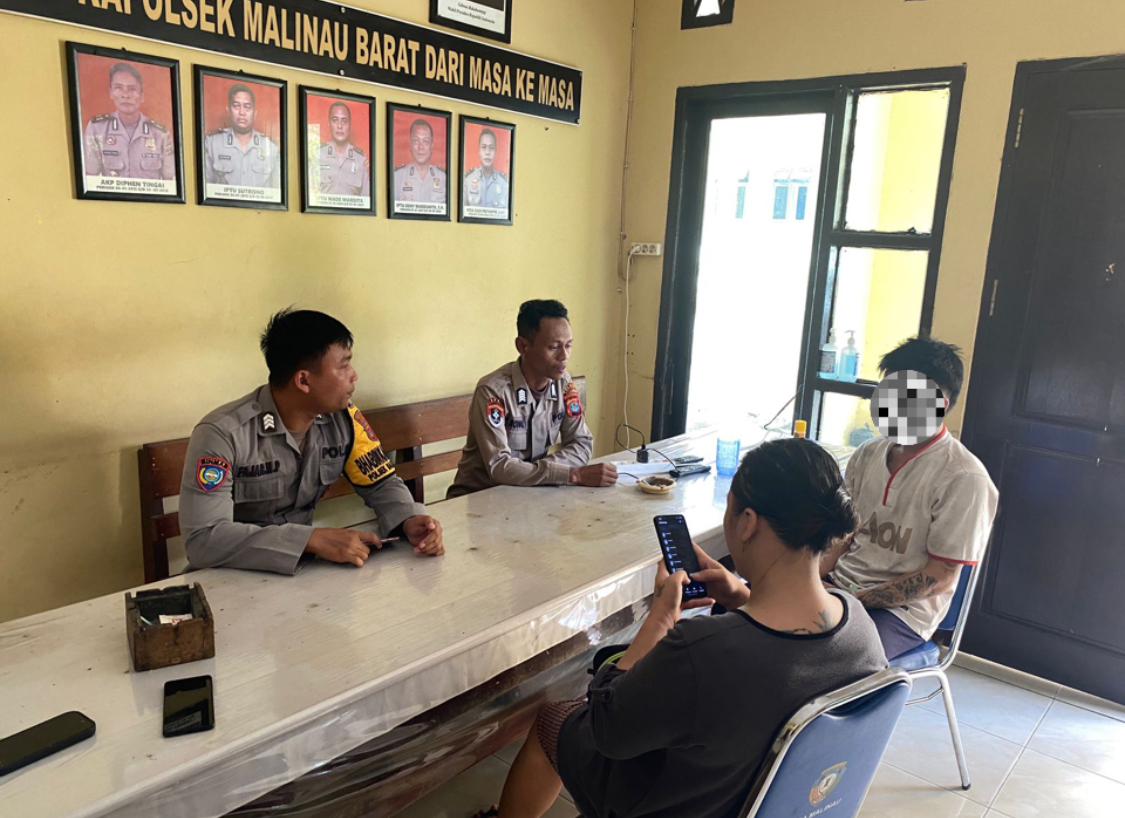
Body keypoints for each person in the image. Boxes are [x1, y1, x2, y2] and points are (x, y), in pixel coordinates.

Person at [476, 438, 886, 818]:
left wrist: (660, 617)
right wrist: (741, 596)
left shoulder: (703, 650)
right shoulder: (859, 625)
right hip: (768, 800)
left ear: (747, 522)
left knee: (555, 717)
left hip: (674, 802)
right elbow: (786, 657)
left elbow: (608, 730)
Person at [180, 309, 444, 574]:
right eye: (343, 366)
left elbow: (380, 482)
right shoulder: (223, 434)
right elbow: (203, 540)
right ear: (303, 380)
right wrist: (308, 539)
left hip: (303, 574)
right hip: (230, 578)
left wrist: (408, 518)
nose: (354, 375)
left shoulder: (344, 419)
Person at [821, 336, 999, 660]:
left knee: (830, 658)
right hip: (841, 587)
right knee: (757, 617)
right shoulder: (866, 454)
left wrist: (855, 599)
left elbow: (941, 577)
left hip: (902, 613)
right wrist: (812, 577)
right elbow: (842, 537)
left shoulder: (963, 478)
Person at [447, 300, 616, 498]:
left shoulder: (563, 384)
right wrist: (571, 474)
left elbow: (581, 443)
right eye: (554, 347)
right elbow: (500, 467)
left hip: (532, 495)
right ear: (523, 346)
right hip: (480, 498)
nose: (564, 356)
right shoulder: (493, 392)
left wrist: (536, 473)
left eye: (568, 345)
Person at [83, 62, 175, 181]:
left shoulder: (160, 133)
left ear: (142, 96)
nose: (125, 95)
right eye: (118, 88)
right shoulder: (97, 129)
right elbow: (90, 178)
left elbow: (170, 182)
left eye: (132, 89)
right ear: (111, 92)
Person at [203, 83, 281, 189]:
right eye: (236, 106)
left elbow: (277, 191)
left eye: (247, 107)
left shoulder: (271, 148)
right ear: (228, 111)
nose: (242, 112)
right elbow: (204, 187)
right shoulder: (212, 143)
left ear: (255, 114)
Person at [315, 101, 370, 198]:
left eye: (344, 121)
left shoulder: (361, 160)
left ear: (350, 125)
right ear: (329, 123)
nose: (340, 126)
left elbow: (367, 201)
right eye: (335, 120)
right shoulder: (317, 155)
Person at [392, 118, 447, 205]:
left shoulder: (444, 178)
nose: (421, 147)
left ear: (431, 146)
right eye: (416, 140)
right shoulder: (396, 177)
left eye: (425, 141)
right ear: (410, 144)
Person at [463, 128, 508, 210]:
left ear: (496, 152)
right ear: (479, 151)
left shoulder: (504, 183)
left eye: (491, 148)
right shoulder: (468, 179)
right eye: (483, 147)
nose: (487, 152)